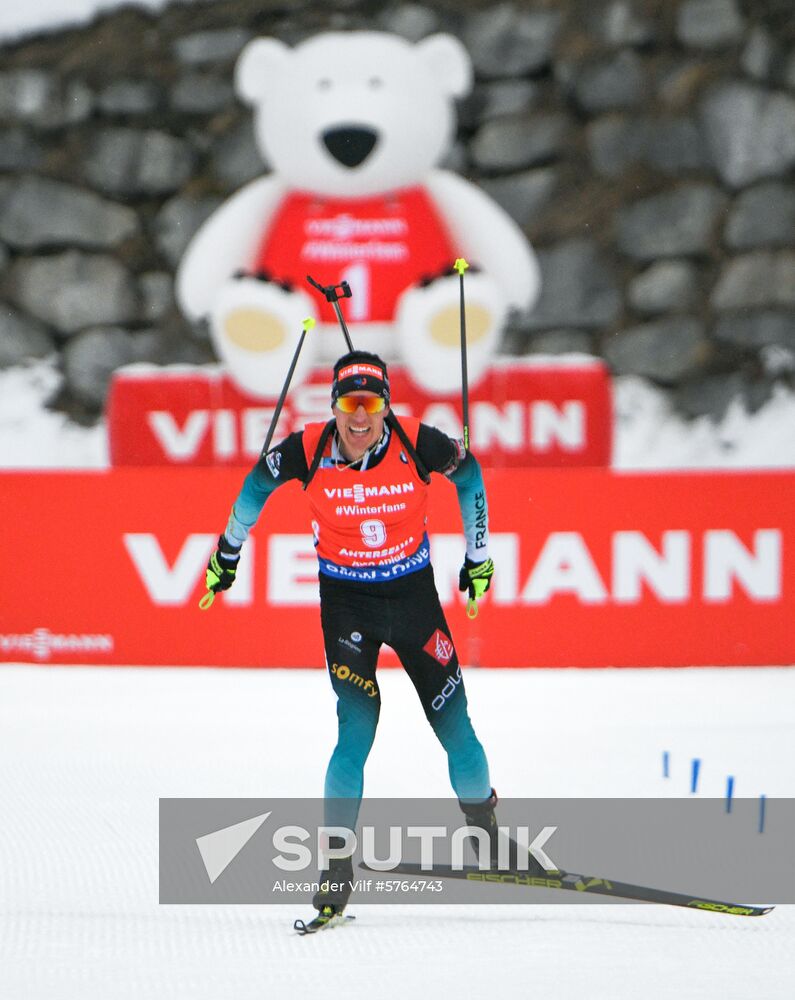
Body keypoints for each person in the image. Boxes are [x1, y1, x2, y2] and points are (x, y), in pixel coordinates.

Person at [203, 350, 500, 922]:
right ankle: (336, 865)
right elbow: (252, 489)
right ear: (333, 404)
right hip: (348, 610)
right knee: (355, 730)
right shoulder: (308, 448)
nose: (359, 418)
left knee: (454, 725)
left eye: (371, 403)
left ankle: (483, 824)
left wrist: (478, 557)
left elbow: (471, 474)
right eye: (348, 403)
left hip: (414, 602)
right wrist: (228, 551)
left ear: (386, 404)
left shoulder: (418, 441)